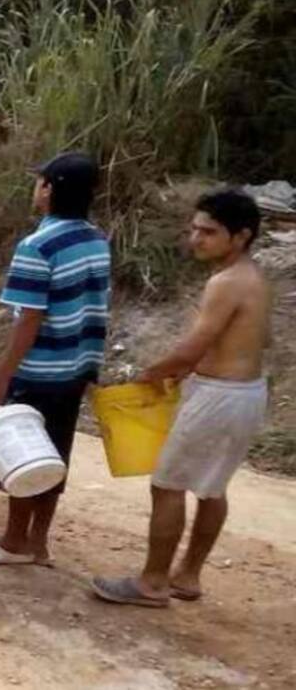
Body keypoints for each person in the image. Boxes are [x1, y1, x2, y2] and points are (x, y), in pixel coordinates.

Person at [92, 189, 271, 608]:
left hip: (220, 395)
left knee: (168, 484)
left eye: (207, 232)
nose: (195, 239)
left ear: (240, 236)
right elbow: (255, 340)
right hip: (246, 392)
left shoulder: (227, 282)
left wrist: (153, 373)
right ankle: (187, 575)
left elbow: (194, 347)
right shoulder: (255, 279)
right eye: (193, 229)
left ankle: (152, 582)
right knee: (211, 487)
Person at [0, 152, 110, 567]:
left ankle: (12, 541)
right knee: (54, 454)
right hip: (76, 366)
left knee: (22, 454)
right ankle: (38, 543)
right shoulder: (96, 239)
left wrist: (0, 376)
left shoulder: (37, 245)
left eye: (39, 181)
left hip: (39, 369)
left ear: (49, 188)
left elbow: (29, 321)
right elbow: (96, 308)